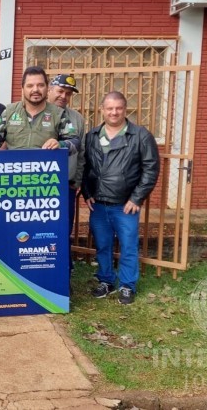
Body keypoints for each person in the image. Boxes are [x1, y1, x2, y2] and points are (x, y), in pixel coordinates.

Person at [81, 91, 160, 306]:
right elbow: (85, 167)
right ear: (102, 110)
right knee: (103, 246)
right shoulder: (92, 136)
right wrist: (87, 193)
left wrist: (136, 198)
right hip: (99, 204)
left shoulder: (140, 136)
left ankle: (127, 285)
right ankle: (106, 280)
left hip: (125, 206)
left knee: (128, 246)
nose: (114, 112)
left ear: (125, 110)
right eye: (109, 108)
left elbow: (151, 169)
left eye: (118, 108)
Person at [0, 66, 80, 153]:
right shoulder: (9, 112)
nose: (35, 89)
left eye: (40, 85)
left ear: (47, 88)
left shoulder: (58, 114)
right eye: (30, 86)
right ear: (23, 88)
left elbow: (75, 142)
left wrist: (60, 144)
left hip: (46, 165)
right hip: (14, 165)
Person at [47, 74, 86, 240]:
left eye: (68, 93)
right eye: (60, 91)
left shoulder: (77, 119)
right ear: (49, 90)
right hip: (38, 185)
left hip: (65, 186)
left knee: (64, 227)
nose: (63, 96)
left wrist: (76, 182)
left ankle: (66, 265)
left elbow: (82, 153)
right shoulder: (37, 114)